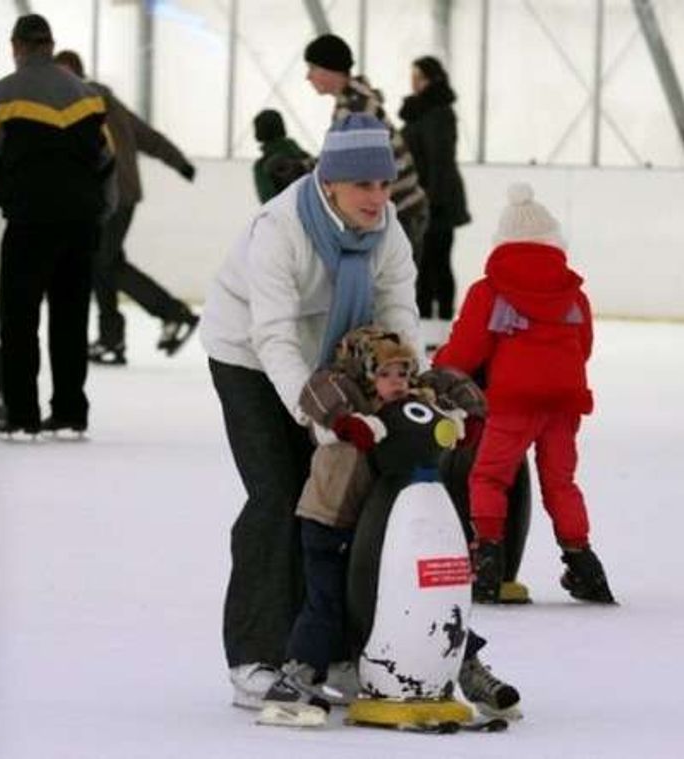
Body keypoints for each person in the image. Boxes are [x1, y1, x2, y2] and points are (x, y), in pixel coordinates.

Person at [200, 113, 516, 712]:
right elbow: (272, 337)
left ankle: (338, 648)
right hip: (246, 353)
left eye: (384, 183)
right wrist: (321, 420)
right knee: (278, 492)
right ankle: (256, 655)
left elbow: (399, 312)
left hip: (339, 352)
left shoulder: (387, 228)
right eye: (364, 185)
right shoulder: (281, 228)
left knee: (343, 498)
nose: (379, 197)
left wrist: (408, 394)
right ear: (330, 183)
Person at [433, 182, 616, 606]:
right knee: (561, 482)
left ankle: (489, 558)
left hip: (512, 401)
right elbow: (583, 347)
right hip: (564, 401)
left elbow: (467, 349)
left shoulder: (490, 291)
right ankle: (582, 560)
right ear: (553, 242)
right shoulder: (574, 295)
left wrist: (439, 368)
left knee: (489, 476)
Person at [0, 15, 116, 435]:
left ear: (17, 47)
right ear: (50, 45)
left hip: (30, 223)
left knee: (19, 320)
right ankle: (70, 410)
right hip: (80, 223)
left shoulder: (4, 94)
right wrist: (101, 213)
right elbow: (107, 164)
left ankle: (21, 413)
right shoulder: (87, 96)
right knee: (70, 319)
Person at [53, 50, 199, 366]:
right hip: (109, 198)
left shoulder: (86, 103)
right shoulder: (101, 100)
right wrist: (179, 163)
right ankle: (112, 340)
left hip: (112, 197)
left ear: (76, 74)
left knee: (104, 261)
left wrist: (180, 162)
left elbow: (136, 136)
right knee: (101, 262)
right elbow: (144, 135)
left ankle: (174, 313)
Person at [303, 34, 430, 264]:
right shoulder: (355, 99)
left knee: (387, 295)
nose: (308, 76)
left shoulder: (354, 110)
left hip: (398, 213)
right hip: (402, 209)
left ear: (331, 69)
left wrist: (305, 171)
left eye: (313, 67)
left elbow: (344, 167)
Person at [399, 56, 470, 347]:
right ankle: (425, 326)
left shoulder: (439, 112)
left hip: (436, 201)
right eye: (413, 76)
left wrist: (431, 199)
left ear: (432, 80)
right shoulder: (418, 111)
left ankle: (439, 329)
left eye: (420, 77)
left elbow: (439, 160)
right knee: (424, 265)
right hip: (420, 198)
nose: (414, 82)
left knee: (437, 263)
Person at [252, 109, 313, 203]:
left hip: (285, 215)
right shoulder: (305, 157)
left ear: (258, 134)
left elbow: (268, 202)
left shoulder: (262, 165)